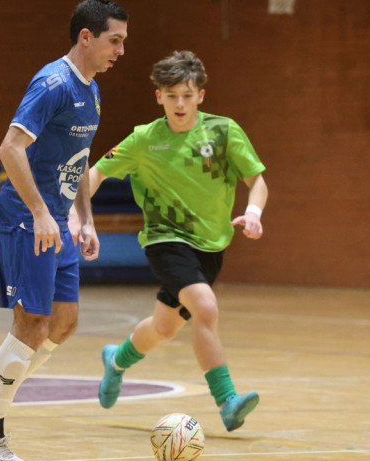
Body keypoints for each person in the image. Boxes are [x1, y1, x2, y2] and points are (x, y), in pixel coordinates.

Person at [0, 0, 129, 461]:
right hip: (27, 222)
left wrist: (85, 218)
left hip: (57, 222)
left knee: (64, 322)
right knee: (30, 325)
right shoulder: (52, 83)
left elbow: (79, 162)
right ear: (86, 37)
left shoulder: (91, 89)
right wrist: (41, 211)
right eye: (115, 40)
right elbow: (10, 149)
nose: (120, 50)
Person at [86, 50, 268, 433]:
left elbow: (257, 181)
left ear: (201, 95)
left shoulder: (223, 132)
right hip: (165, 240)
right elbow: (95, 174)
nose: (179, 104)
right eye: (171, 96)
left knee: (165, 328)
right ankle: (227, 401)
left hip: (212, 247)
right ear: (159, 97)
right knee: (205, 307)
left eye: (187, 95)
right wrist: (78, 217)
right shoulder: (143, 140)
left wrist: (253, 212)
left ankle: (116, 361)